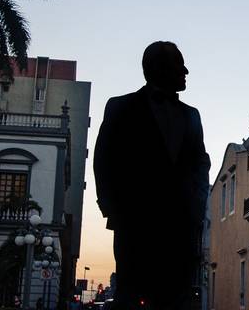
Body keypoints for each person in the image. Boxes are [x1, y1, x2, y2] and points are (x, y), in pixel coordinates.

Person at [94, 41, 211, 310]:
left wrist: (196, 209)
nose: (186, 70)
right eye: (180, 64)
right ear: (160, 68)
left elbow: (200, 164)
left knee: (176, 300)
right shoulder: (120, 108)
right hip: (135, 228)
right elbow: (104, 160)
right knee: (131, 298)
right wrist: (113, 210)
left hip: (179, 232)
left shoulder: (192, 116)